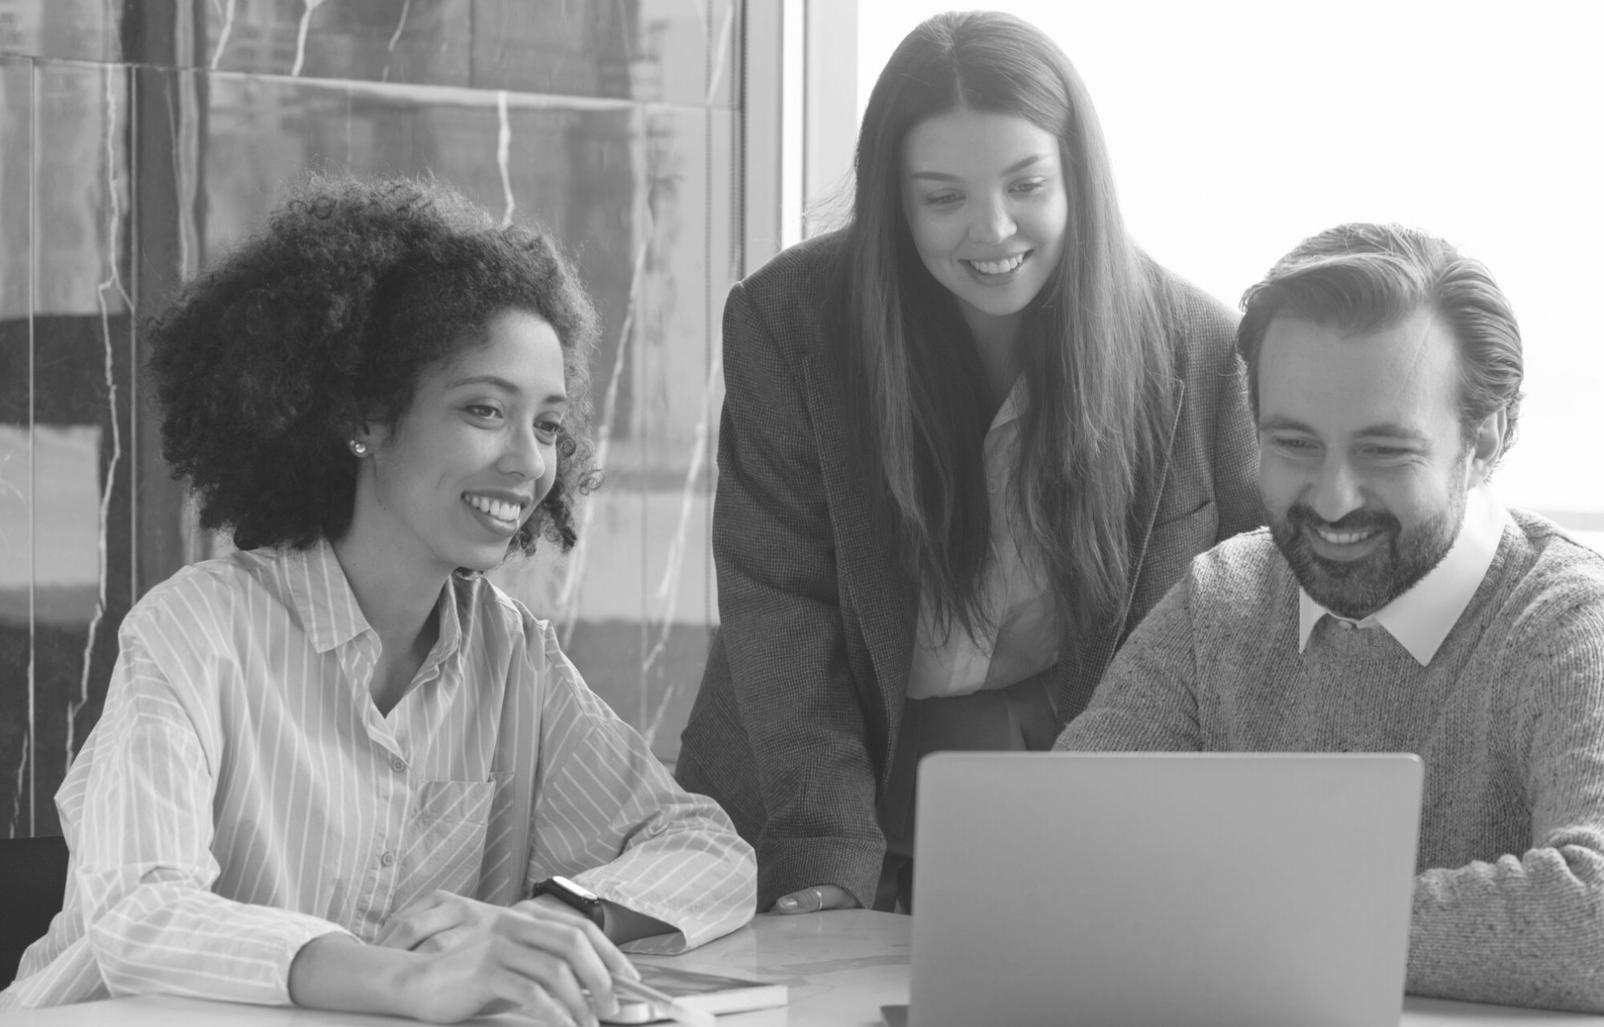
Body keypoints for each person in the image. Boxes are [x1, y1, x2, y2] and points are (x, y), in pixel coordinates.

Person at [0, 177, 756, 1022]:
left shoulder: (515, 660)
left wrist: (559, 918)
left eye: (547, 425)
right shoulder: (197, 629)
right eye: (484, 409)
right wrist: (408, 976)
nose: (527, 462)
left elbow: (707, 849)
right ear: (366, 415)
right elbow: (136, 914)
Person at [676, 10, 1260, 915]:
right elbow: (778, 599)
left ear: (1078, 176)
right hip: (803, 801)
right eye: (941, 197)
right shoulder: (788, 320)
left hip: (1073, 826)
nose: (992, 231)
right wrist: (823, 856)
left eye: (1027, 184)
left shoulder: (1201, 349)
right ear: (893, 199)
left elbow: (1235, 628)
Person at [1055, 221, 1604, 1012]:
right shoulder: (1225, 598)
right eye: (1295, 444)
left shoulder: (1566, 625)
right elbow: (1051, 851)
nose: (1334, 499)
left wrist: (1246, 917)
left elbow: (1591, 919)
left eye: (1385, 451)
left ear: (1487, 439)